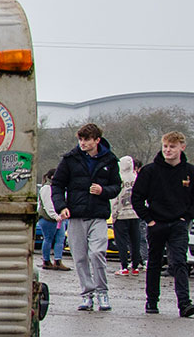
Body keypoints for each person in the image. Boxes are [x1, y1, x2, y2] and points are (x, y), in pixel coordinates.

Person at [52, 122, 121, 311]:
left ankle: (102, 292)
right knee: (80, 258)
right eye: (80, 139)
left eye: (86, 139)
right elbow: (57, 184)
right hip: (76, 215)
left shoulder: (110, 160)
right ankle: (87, 294)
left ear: (97, 140)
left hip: (98, 215)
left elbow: (117, 186)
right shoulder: (70, 159)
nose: (82, 143)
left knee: (97, 253)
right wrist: (61, 207)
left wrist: (103, 190)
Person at [130, 131, 194, 317]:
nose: (168, 150)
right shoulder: (150, 171)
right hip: (156, 223)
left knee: (179, 262)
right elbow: (137, 197)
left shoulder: (189, 172)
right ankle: (151, 301)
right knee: (154, 262)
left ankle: (184, 303)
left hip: (178, 224)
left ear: (182, 147)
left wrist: (186, 218)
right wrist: (149, 219)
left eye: (172, 147)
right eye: (165, 146)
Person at [112, 156, 145, 275]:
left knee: (121, 242)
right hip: (135, 214)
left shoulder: (119, 178)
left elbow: (115, 198)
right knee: (135, 241)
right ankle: (135, 266)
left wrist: (114, 214)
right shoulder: (137, 178)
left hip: (121, 215)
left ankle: (124, 267)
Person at [37, 169, 69, 270]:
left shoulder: (59, 188)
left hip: (60, 218)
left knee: (60, 239)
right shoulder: (46, 188)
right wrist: (55, 216)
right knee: (48, 239)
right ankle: (46, 261)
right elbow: (48, 205)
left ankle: (58, 261)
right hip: (48, 218)